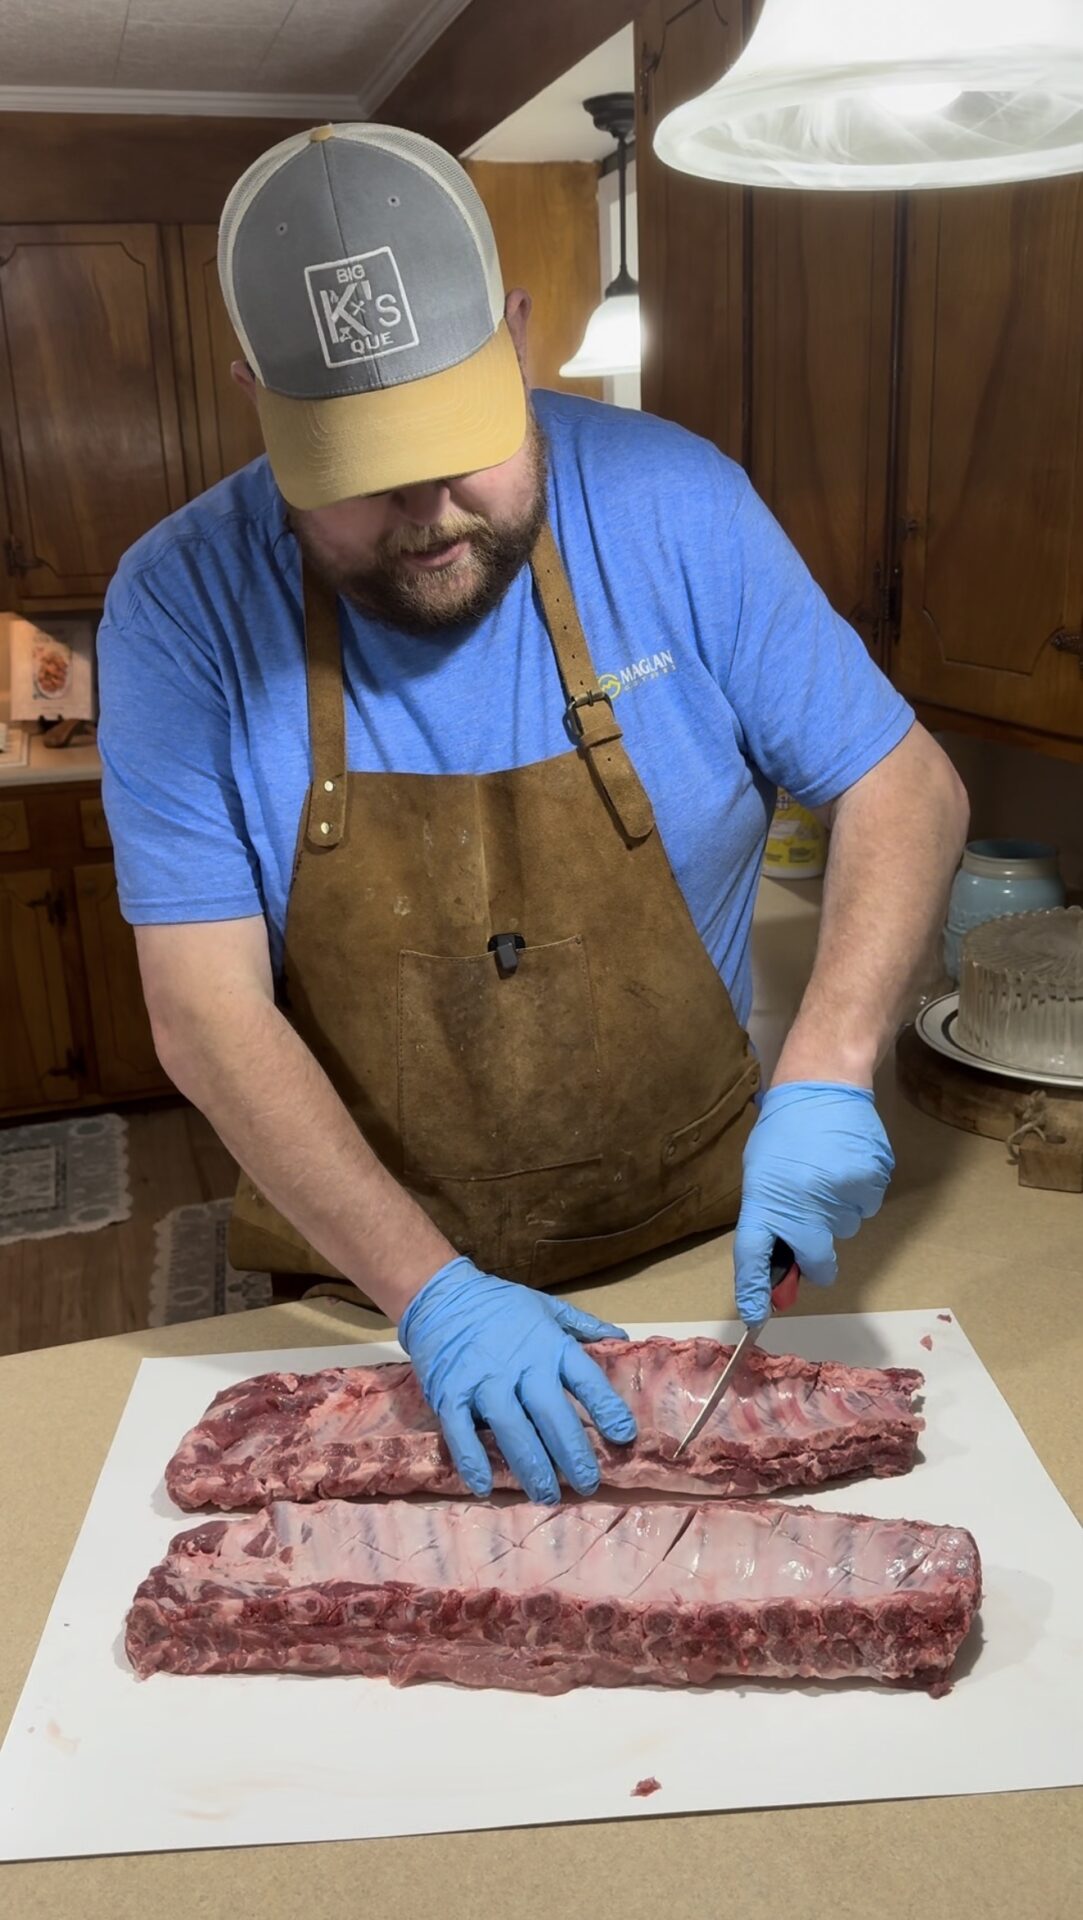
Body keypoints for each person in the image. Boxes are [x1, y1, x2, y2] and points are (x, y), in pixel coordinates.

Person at [97, 124, 968, 1504]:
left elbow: (900, 780)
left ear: (515, 335)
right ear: (258, 402)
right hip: (373, 1301)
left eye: (458, 444)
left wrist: (829, 1061)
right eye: (362, 474)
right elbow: (201, 1007)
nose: (427, 513)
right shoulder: (177, 605)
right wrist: (431, 1295)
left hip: (704, 1259)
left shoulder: (677, 504)